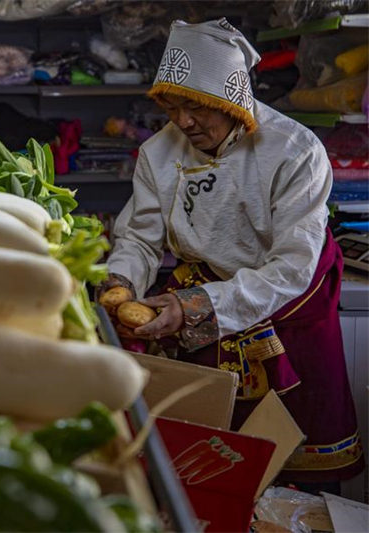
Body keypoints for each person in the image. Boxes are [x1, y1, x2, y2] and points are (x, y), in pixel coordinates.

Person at [100, 18, 364, 487]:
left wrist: (199, 305)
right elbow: (140, 237)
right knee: (213, 459)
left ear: (233, 98)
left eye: (197, 107)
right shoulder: (159, 153)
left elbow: (292, 266)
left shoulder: (294, 151)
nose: (184, 122)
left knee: (301, 452)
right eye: (173, 107)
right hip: (202, 303)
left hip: (289, 307)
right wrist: (120, 281)